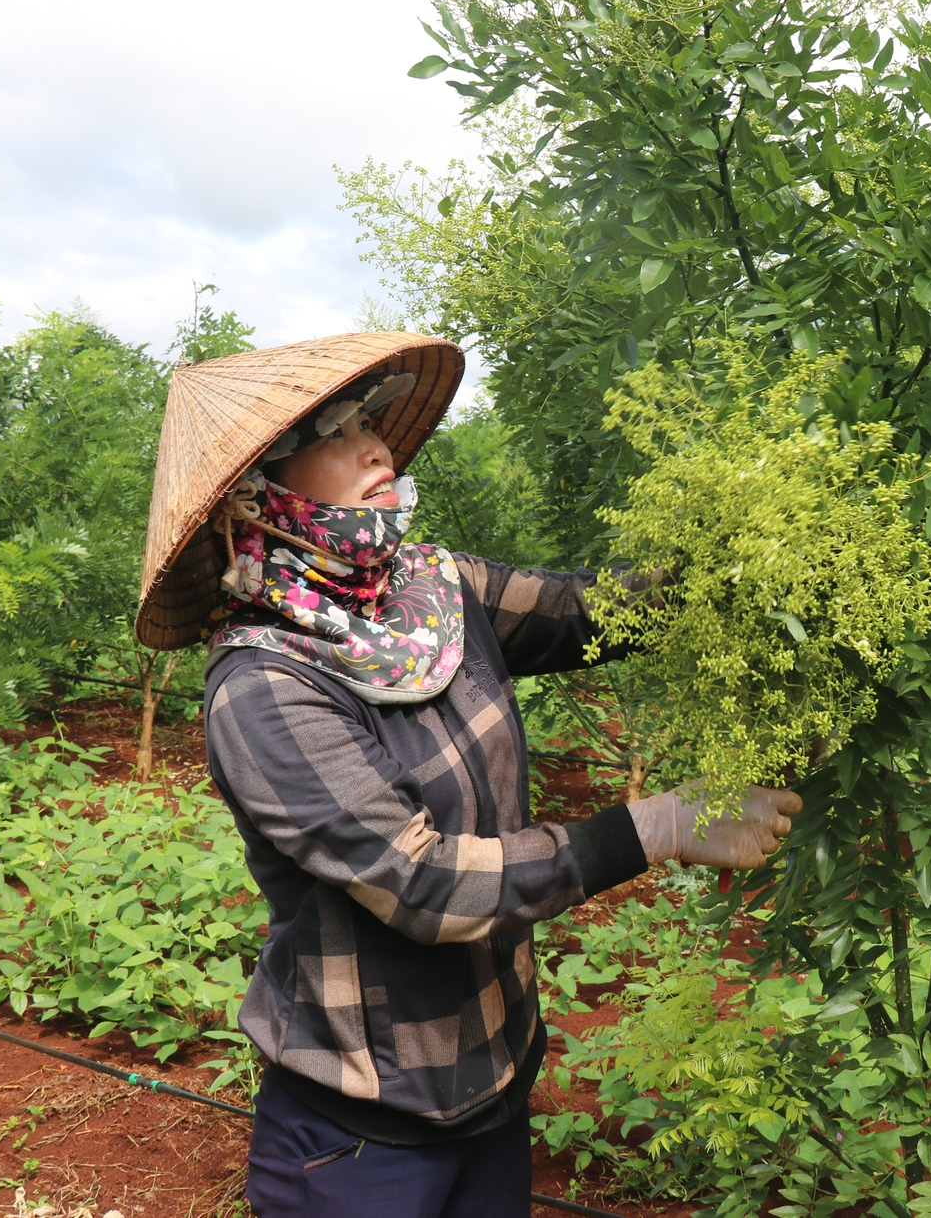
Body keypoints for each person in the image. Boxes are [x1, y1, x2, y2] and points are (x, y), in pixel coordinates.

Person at [133, 334, 800, 1218]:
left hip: (492, 1078)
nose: (376, 447)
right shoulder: (264, 686)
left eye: (372, 423)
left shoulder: (432, 587)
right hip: (362, 1131)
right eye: (337, 429)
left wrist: (758, 560)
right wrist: (659, 825)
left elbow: (588, 611)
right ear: (260, 490)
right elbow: (424, 881)